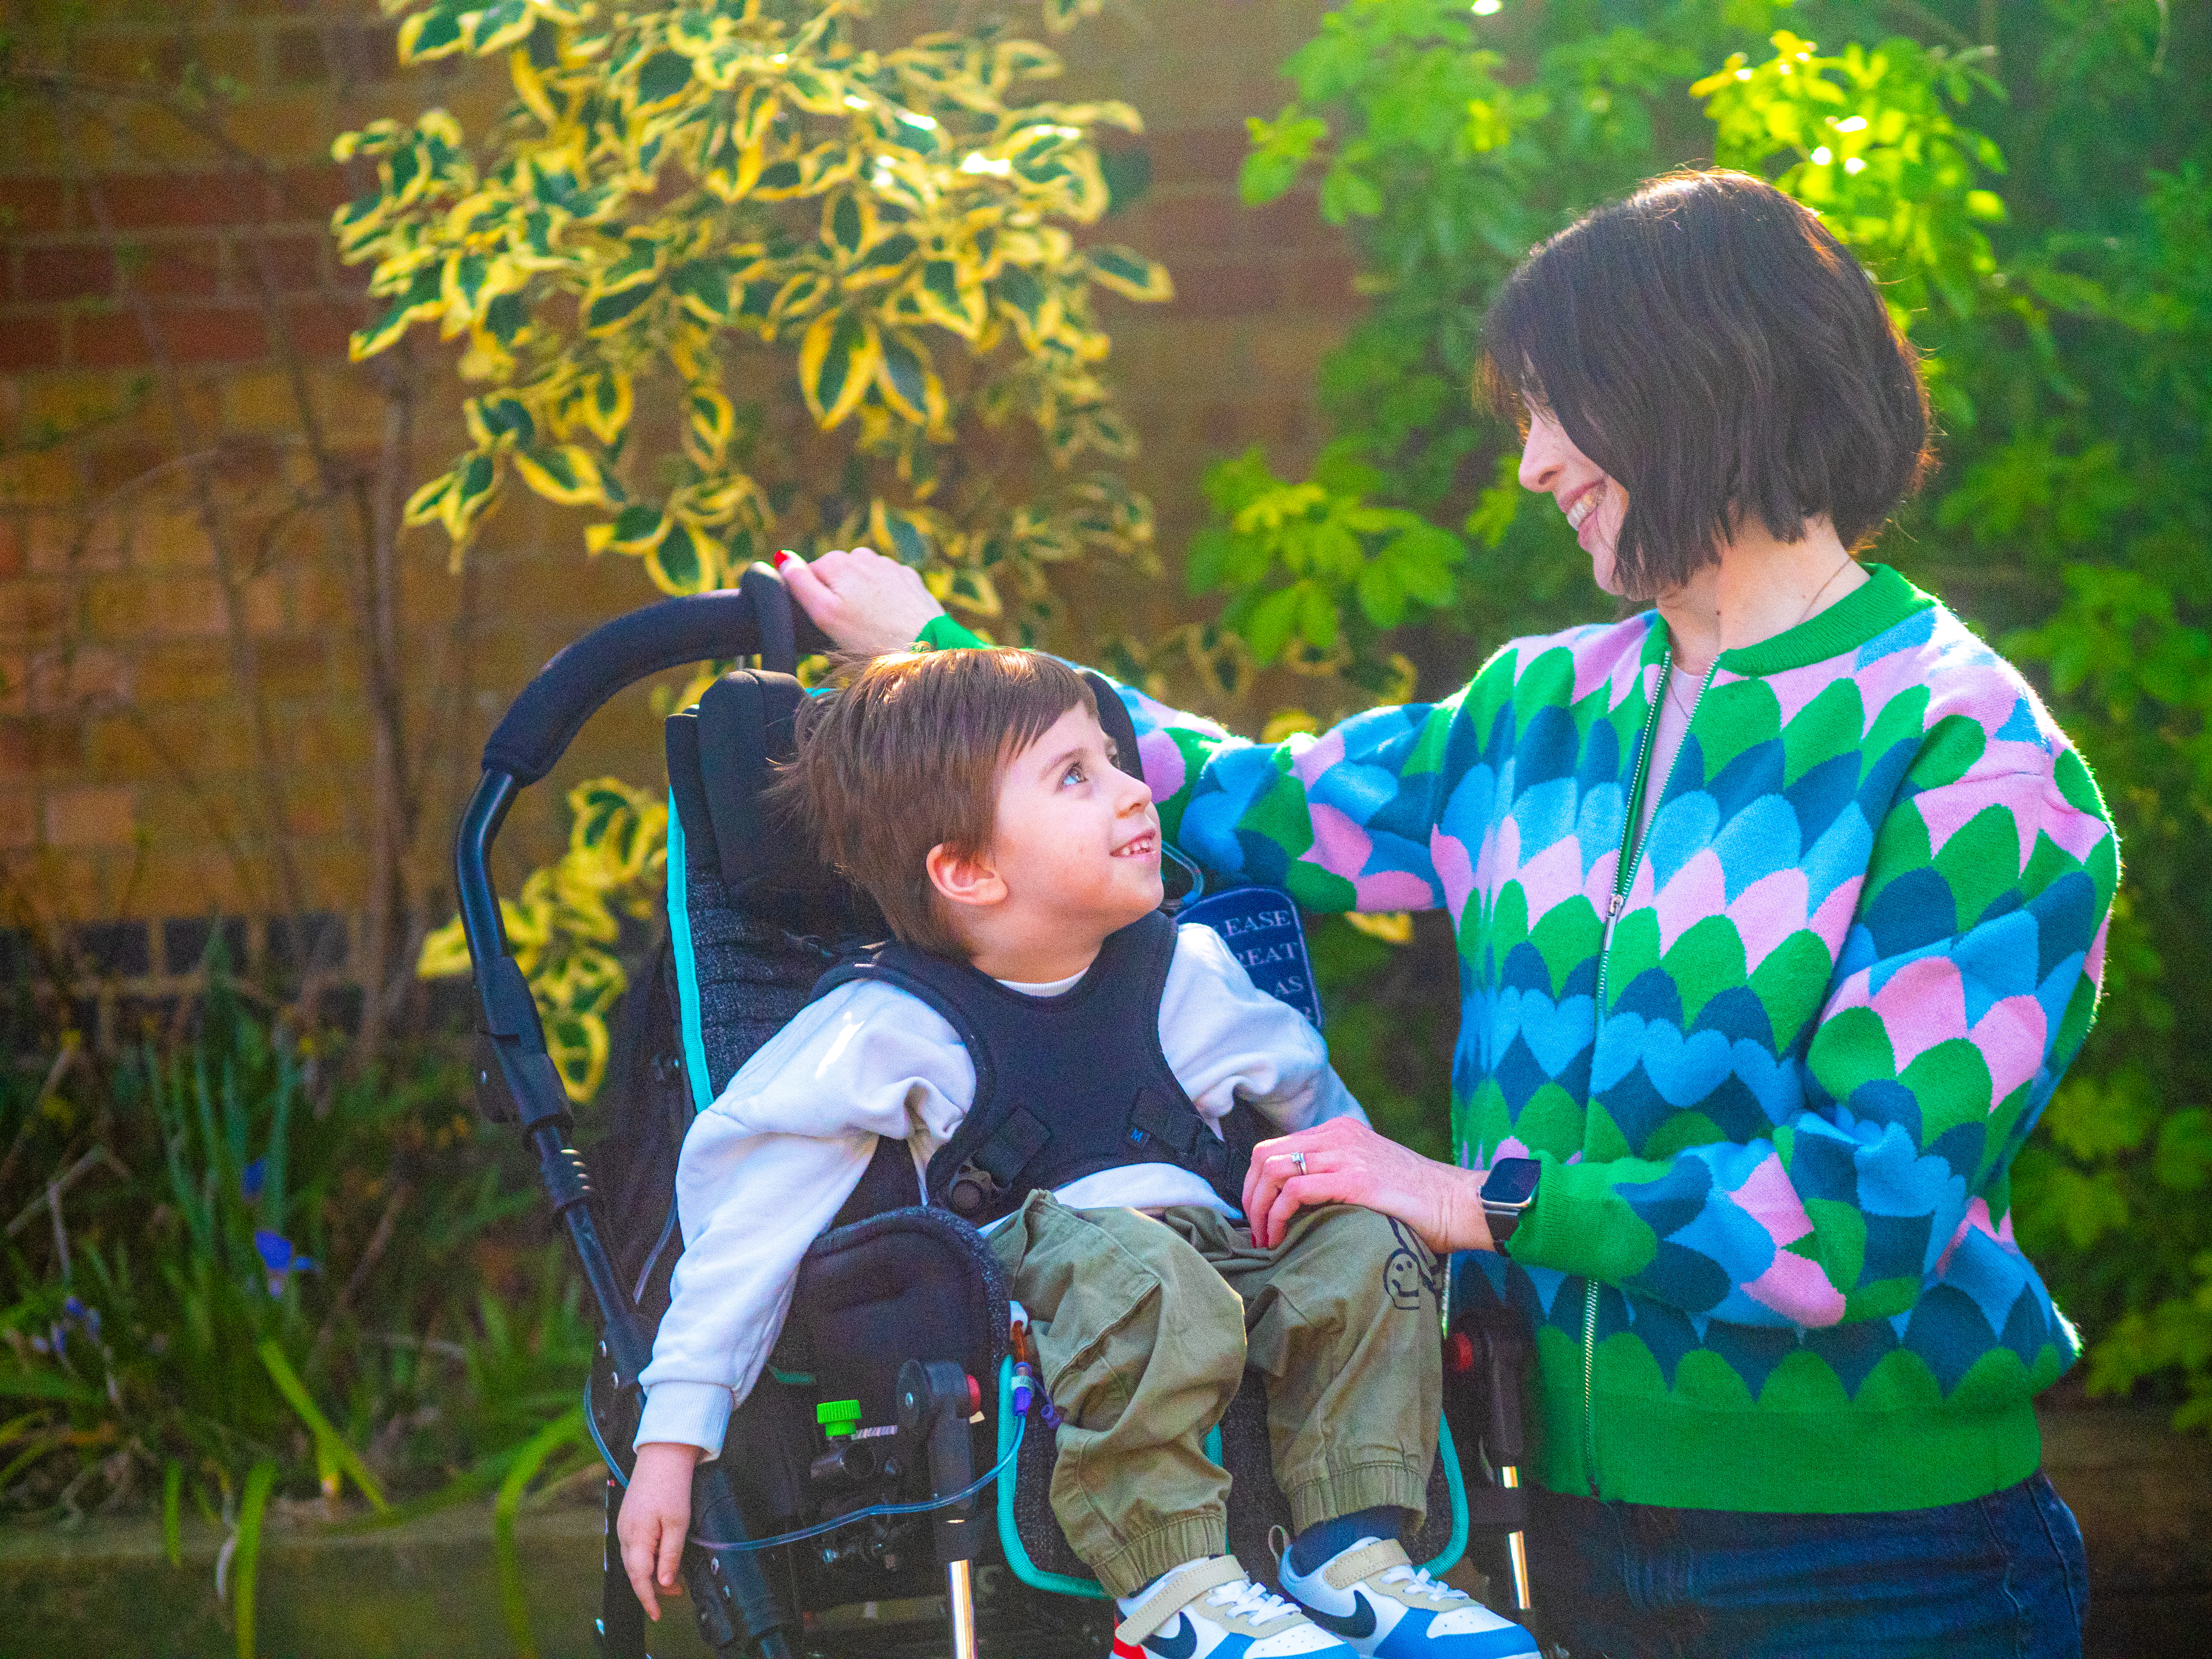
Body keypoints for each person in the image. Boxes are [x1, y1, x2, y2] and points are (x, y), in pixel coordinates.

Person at [778, 170, 2114, 1659]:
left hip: (1878, 1568)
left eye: (1561, 406)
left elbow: (1866, 1208)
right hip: (1567, 1535)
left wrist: (1472, 1196)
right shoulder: (1538, 710)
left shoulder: (1969, 758)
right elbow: (1229, 800)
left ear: (1702, 384)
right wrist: (952, 665)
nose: (1535, 462)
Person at [617, 646, 1540, 1659]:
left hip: (1213, 1259)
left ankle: (1352, 1546)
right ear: (968, 870)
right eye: (1075, 777)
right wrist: (676, 1434)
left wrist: (1367, 1198)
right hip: (1041, 1288)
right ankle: (1175, 1582)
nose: (1134, 792)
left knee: (1364, 1234)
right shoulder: (887, 1027)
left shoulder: (1187, 970)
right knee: (1142, 1273)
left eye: (1112, 759)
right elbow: (750, 1225)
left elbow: (1326, 1122)